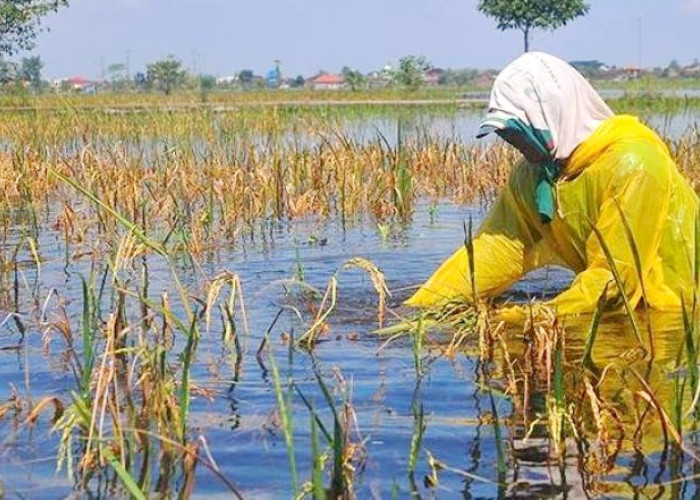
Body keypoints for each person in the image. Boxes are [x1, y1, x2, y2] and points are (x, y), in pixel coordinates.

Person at [406, 52, 698, 316]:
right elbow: (493, 248)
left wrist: (524, 317)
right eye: (506, 133)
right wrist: (424, 308)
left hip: (678, 312)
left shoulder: (635, 165)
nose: (512, 142)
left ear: (554, 115)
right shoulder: (536, 175)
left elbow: (615, 282)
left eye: (519, 131)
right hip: (616, 311)